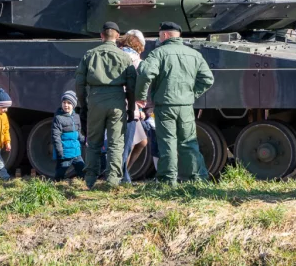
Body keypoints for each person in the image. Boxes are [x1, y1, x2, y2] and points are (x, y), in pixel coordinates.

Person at [135, 22, 215, 185]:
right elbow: (208, 79)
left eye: (160, 35)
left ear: (165, 35)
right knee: (189, 142)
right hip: (185, 106)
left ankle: (167, 181)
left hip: (165, 105)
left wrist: (141, 96)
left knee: (168, 143)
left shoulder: (159, 53)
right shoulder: (194, 54)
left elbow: (145, 73)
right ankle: (198, 179)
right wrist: (191, 94)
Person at [74, 21, 137, 189]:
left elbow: (79, 84)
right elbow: (131, 87)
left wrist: (83, 105)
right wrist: (130, 108)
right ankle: (112, 181)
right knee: (116, 143)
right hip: (117, 100)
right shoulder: (125, 57)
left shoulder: (90, 55)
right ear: (117, 36)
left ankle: (90, 180)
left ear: (101, 36)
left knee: (94, 142)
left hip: (95, 99)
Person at [119, 32, 149, 184]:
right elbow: (140, 82)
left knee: (141, 141)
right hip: (129, 105)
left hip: (123, 103)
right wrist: (140, 105)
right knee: (128, 143)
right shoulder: (135, 59)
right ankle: (123, 176)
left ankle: (124, 174)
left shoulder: (118, 54)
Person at [52, 91, 86, 181]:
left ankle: (85, 186)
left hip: (76, 153)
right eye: (64, 102)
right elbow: (56, 137)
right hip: (65, 153)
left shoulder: (76, 117)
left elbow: (78, 134)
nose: (66, 105)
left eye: (69, 103)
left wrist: (85, 141)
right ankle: (56, 185)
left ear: (73, 105)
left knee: (82, 171)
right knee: (60, 173)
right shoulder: (58, 118)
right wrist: (59, 151)